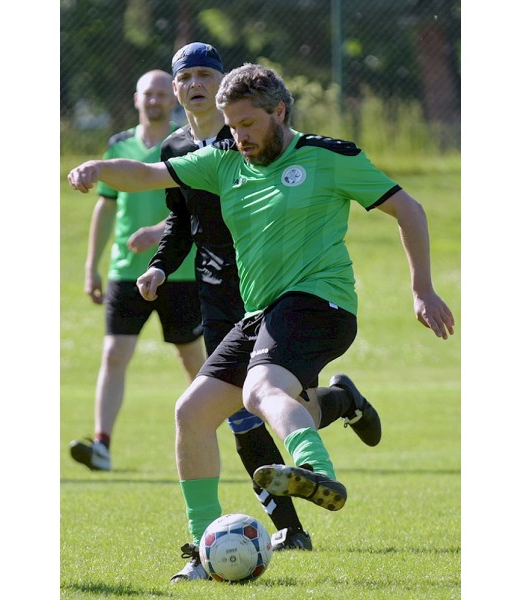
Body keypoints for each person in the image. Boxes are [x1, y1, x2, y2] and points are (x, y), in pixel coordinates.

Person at [67, 63, 456, 581]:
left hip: (321, 302)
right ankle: (205, 551)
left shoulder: (328, 156)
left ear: (279, 111)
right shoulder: (223, 163)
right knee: (192, 413)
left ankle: (317, 472)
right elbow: (147, 175)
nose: (239, 136)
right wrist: (98, 168)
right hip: (260, 314)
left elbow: (409, 209)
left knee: (261, 389)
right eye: (231, 126)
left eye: (249, 124)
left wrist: (422, 288)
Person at [136, 43, 383, 575]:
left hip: (287, 294)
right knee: (214, 410)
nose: (195, 83)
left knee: (258, 398)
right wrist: (160, 262)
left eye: (206, 73)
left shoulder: (253, 143)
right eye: (187, 76)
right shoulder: (181, 148)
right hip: (224, 294)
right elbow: (181, 220)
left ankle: (293, 521)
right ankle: (336, 404)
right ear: (177, 89)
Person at [68, 70, 206, 472]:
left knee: (193, 358)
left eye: (163, 93)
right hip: (126, 272)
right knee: (113, 354)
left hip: (177, 272)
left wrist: (160, 232)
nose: (156, 100)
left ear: (174, 99)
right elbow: (106, 205)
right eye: (149, 93)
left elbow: (198, 209)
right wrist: (92, 266)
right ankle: (102, 445)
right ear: (136, 98)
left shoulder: (185, 144)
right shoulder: (118, 145)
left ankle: (232, 427)